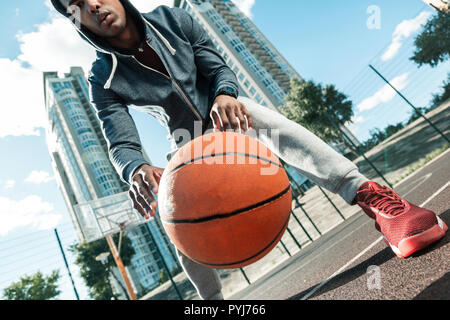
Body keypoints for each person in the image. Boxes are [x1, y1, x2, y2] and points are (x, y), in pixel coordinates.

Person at [51, 0, 447, 300]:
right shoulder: (102, 76)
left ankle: (375, 199)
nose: (93, 6)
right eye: (79, 7)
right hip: (187, 139)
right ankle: (212, 303)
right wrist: (136, 169)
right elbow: (120, 139)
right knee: (176, 215)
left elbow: (216, 65)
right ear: (76, 22)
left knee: (265, 119)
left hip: (224, 109)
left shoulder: (173, 21)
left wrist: (225, 94)